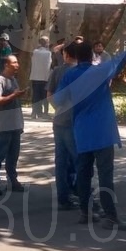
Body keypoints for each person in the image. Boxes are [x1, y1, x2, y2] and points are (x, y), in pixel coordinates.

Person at [54, 40, 126, 230]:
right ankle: (110, 216)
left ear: (77, 57)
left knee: (83, 173)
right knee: (105, 175)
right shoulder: (100, 71)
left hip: (81, 131)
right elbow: (123, 58)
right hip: (102, 132)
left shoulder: (70, 75)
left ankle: (85, 212)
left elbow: (58, 100)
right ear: (93, 56)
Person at [0, 54, 26, 195]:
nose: (17, 65)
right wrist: (14, 96)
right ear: (6, 65)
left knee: (13, 155)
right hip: (4, 125)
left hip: (15, 123)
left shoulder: (13, 80)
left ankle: (12, 181)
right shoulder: (0, 81)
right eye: (14, 62)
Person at [48, 42, 79, 210]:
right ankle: (81, 192)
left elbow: (49, 95)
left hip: (59, 120)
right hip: (75, 122)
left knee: (61, 160)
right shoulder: (82, 72)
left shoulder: (57, 71)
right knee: (78, 159)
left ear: (66, 54)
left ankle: (63, 197)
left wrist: (59, 108)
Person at [30, 36, 52, 119]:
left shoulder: (35, 52)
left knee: (35, 96)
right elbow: (50, 64)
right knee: (44, 96)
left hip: (35, 76)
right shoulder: (48, 53)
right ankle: (44, 113)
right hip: (45, 77)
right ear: (46, 43)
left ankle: (34, 112)